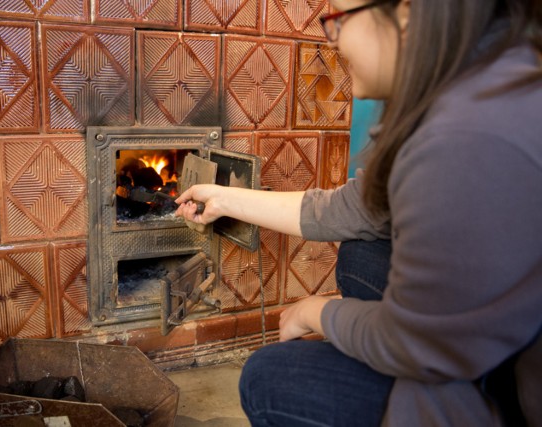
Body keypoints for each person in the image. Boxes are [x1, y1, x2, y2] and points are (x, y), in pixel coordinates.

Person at [176, 0, 542, 425]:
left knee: (272, 376)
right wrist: (225, 198)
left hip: (513, 396)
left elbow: (420, 342)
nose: (335, 43)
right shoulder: (483, 81)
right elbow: (354, 209)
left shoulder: (465, 137)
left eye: (338, 20)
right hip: (495, 344)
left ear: (407, 14)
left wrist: (317, 311)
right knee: (361, 255)